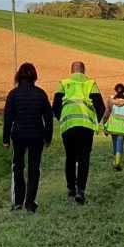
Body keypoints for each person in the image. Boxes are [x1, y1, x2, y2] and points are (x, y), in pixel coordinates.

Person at [2, 62, 53, 213]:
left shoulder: (13, 94)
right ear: (34, 77)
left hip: (18, 135)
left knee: (18, 166)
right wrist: (48, 137)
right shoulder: (41, 94)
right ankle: (30, 203)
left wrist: (5, 139)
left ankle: (18, 201)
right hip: (37, 135)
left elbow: (8, 118)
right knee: (34, 168)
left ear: (18, 76)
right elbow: (48, 119)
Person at [53, 61, 106, 205]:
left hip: (68, 124)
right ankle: (81, 190)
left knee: (70, 156)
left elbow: (55, 106)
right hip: (85, 126)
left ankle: (71, 187)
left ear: (71, 70)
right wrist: (96, 121)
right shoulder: (90, 83)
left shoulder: (63, 83)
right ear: (84, 71)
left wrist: (62, 118)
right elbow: (100, 107)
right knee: (84, 158)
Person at [104, 83, 124, 170]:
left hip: (113, 124)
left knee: (114, 142)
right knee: (120, 143)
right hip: (123, 125)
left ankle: (115, 161)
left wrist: (104, 124)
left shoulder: (111, 99)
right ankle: (118, 162)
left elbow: (107, 113)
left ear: (115, 90)